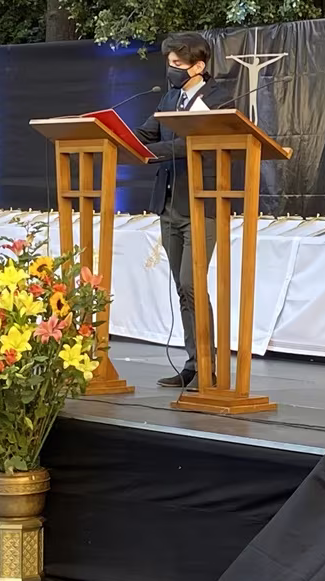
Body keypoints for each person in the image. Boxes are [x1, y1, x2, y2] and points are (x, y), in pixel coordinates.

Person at [135, 33, 229, 391]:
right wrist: (114, 136)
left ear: (198, 66)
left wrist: (154, 151)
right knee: (182, 288)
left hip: (203, 205)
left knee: (192, 284)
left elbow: (192, 143)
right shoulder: (170, 97)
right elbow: (148, 133)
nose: (171, 69)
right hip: (169, 204)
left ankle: (208, 366)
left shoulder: (219, 99)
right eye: (169, 63)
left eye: (177, 64)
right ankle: (193, 364)